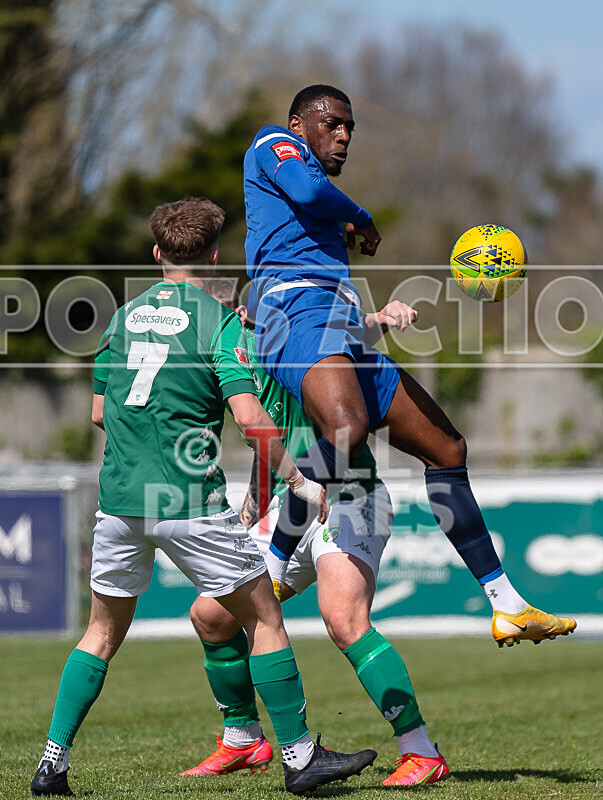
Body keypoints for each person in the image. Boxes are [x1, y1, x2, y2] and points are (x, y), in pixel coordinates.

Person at [30, 197, 377, 798]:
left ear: (158, 253)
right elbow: (250, 421)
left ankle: (52, 762)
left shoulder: (122, 318)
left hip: (118, 503)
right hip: (189, 504)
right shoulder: (216, 320)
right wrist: (298, 482)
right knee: (264, 617)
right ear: (214, 254)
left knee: (99, 635)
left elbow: (97, 414)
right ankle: (299, 758)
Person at [243, 83, 576, 647]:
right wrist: (362, 216)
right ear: (298, 124)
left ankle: (506, 603)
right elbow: (307, 188)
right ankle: (270, 572)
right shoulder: (273, 144)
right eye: (332, 124)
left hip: (337, 329)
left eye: (350, 127)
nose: (344, 135)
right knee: (345, 431)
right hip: (290, 315)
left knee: (447, 448)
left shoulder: (315, 202)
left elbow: (311, 202)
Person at [179, 278, 449, 787]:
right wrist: (253, 506)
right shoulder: (229, 359)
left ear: (237, 310)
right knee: (210, 615)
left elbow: (341, 331)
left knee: (342, 616)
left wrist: (382, 319)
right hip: (291, 504)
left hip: (353, 497)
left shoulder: (283, 337)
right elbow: (268, 441)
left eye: (214, 313)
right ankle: (242, 739)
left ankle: (421, 751)